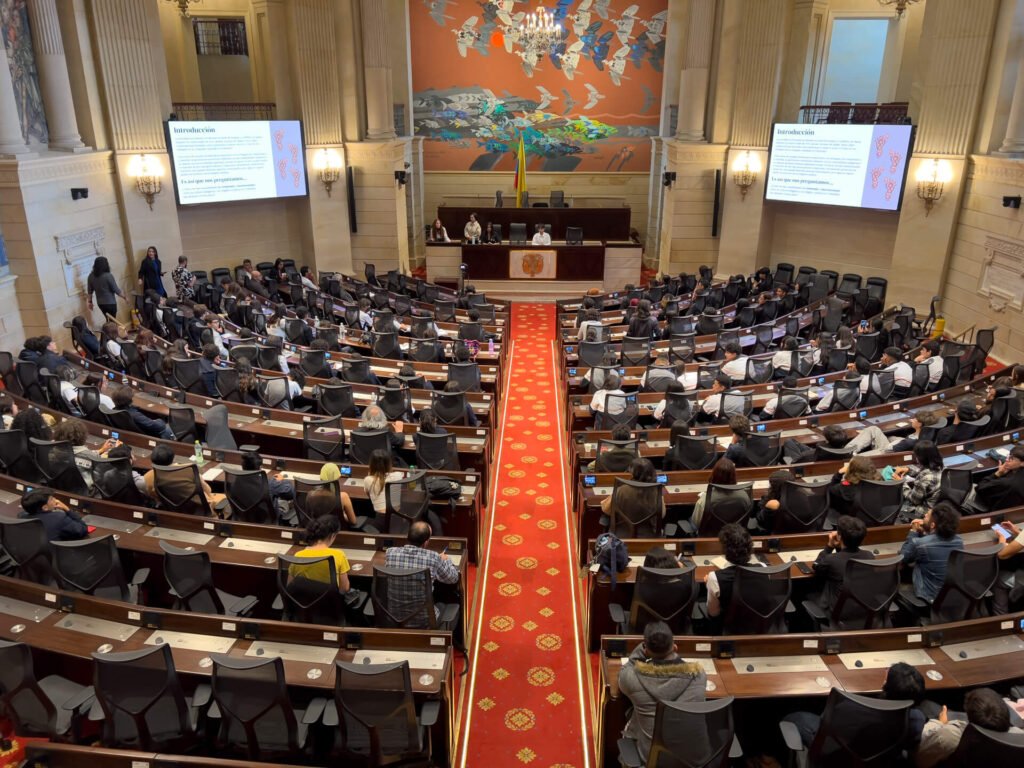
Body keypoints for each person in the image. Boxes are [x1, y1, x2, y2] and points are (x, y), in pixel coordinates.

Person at [782, 662, 929, 751]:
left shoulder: (849, 709)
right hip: (876, 762)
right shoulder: (917, 719)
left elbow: (824, 727)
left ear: (885, 686)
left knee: (794, 718)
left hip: (836, 758)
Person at [618, 620, 707, 763]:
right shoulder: (699, 675)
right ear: (675, 646)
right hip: (691, 759)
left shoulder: (632, 679)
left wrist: (643, 649)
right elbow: (682, 665)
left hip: (654, 759)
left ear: (646, 650)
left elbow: (627, 667)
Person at [916, 687, 1024, 767]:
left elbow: (920, 760)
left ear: (968, 716)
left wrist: (939, 723)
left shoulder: (949, 736)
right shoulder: (1020, 738)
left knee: (926, 705)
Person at [383, 521, 460, 624]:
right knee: (442, 604)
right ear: (426, 542)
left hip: (395, 619)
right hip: (424, 622)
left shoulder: (390, 553)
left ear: (408, 536)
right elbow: (453, 578)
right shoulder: (433, 557)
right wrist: (446, 560)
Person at [900, 501, 963, 603]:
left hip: (929, 596)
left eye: (927, 516)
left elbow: (903, 557)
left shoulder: (921, 544)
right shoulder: (959, 541)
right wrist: (926, 532)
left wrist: (913, 532)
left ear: (933, 525)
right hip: (951, 596)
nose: (924, 515)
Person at [812, 515, 875, 613]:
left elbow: (816, 566)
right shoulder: (869, 556)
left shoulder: (831, 560)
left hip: (837, 610)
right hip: (861, 608)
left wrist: (829, 546)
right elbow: (843, 558)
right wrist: (839, 547)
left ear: (839, 536)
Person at [143, 444, 225, 509]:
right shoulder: (189, 469)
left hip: (173, 513)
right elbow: (208, 490)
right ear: (172, 457)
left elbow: (156, 497)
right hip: (200, 510)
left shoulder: (147, 477)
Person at [599, 458, 666, 533]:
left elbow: (606, 509)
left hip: (621, 535)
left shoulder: (621, 490)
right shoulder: (656, 491)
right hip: (649, 536)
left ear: (633, 472)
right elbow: (662, 514)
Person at [705, 523, 756, 621]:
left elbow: (713, 613)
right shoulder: (763, 567)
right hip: (759, 624)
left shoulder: (714, 578)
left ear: (724, 550)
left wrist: (709, 585)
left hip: (730, 627)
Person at [290, 515, 352, 592]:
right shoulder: (339, 555)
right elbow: (344, 588)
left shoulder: (298, 556)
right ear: (333, 536)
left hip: (304, 602)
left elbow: (291, 585)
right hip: (329, 602)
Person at [893, 441, 944, 523]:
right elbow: (924, 471)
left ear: (922, 458)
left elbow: (914, 500)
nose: (916, 459)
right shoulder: (940, 467)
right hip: (937, 505)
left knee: (893, 508)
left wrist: (901, 482)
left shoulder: (925, 479)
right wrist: (908, 470)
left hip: (924, 511)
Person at [240, 450, 296, 524]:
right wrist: (282, 481)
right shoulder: (270, 484)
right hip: (268, 522)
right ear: (260, 467)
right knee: (286, 502)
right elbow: (291, 493)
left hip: (245, 520)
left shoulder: (236, 481)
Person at [964, 444, 1024, 513]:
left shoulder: (1006, 482)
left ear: (1022, 463)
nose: (1007, 460)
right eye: (1008, 456)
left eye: (1012, 458)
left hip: (992, 512)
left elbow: (980, 487)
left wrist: (998, 473)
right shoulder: (1014, 475)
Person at [691, 458, 747, 528]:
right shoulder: (744, 496)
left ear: (714, 475)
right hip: (733, 534)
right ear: (734, 476)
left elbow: (696, 523)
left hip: (710, 536)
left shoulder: (705, 499)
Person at [19, 487, 88, 542]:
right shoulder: (59, 518)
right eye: (52, 499)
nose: (55, 500)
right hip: (56, 556)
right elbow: (82, 530)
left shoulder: (21, 516)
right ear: (45, 507)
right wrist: (67, 510)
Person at [362, 449, 405, 524]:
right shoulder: (398, 475)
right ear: (389, 463)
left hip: (380, 519)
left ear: (371, 464)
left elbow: (369, 495)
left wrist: (370, 475)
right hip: (397, 516)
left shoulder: (368, 480)